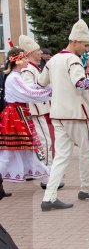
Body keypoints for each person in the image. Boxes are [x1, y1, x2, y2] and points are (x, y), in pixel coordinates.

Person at [39, 20, 89, 211]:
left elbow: (42, 83)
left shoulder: (53, 60)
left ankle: (48, 198)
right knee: (87, 151)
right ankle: (86, 189)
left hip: (58, 113)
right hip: (76, 114)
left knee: (61, 157)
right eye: (84, 45)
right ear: (74, 41)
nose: (86, 49)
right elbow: (80, 84)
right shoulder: (73, 60)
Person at [0, 47, 53, 197]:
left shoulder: (15, 75)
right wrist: (49, 91)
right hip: (15, 115)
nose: (26, 61)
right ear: (17, 61)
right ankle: (48, 178)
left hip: (18, 113)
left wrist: (42, 87)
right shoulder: (14, 77)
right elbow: (27, 93)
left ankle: (47, 177)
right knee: (11, 149)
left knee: (22, 148)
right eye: (23, 58)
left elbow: (28, 88)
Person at [18, 35, 59, 190]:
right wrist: (45, 88)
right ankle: (46, 177)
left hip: (41, 108)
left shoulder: (36, 67)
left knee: (46, 141)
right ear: (29, 53)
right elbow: (29, 89)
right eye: (37, 51)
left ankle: (47, 174)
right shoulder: (28, 69)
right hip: (36, 110)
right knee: (45, 142)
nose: (41, 52)